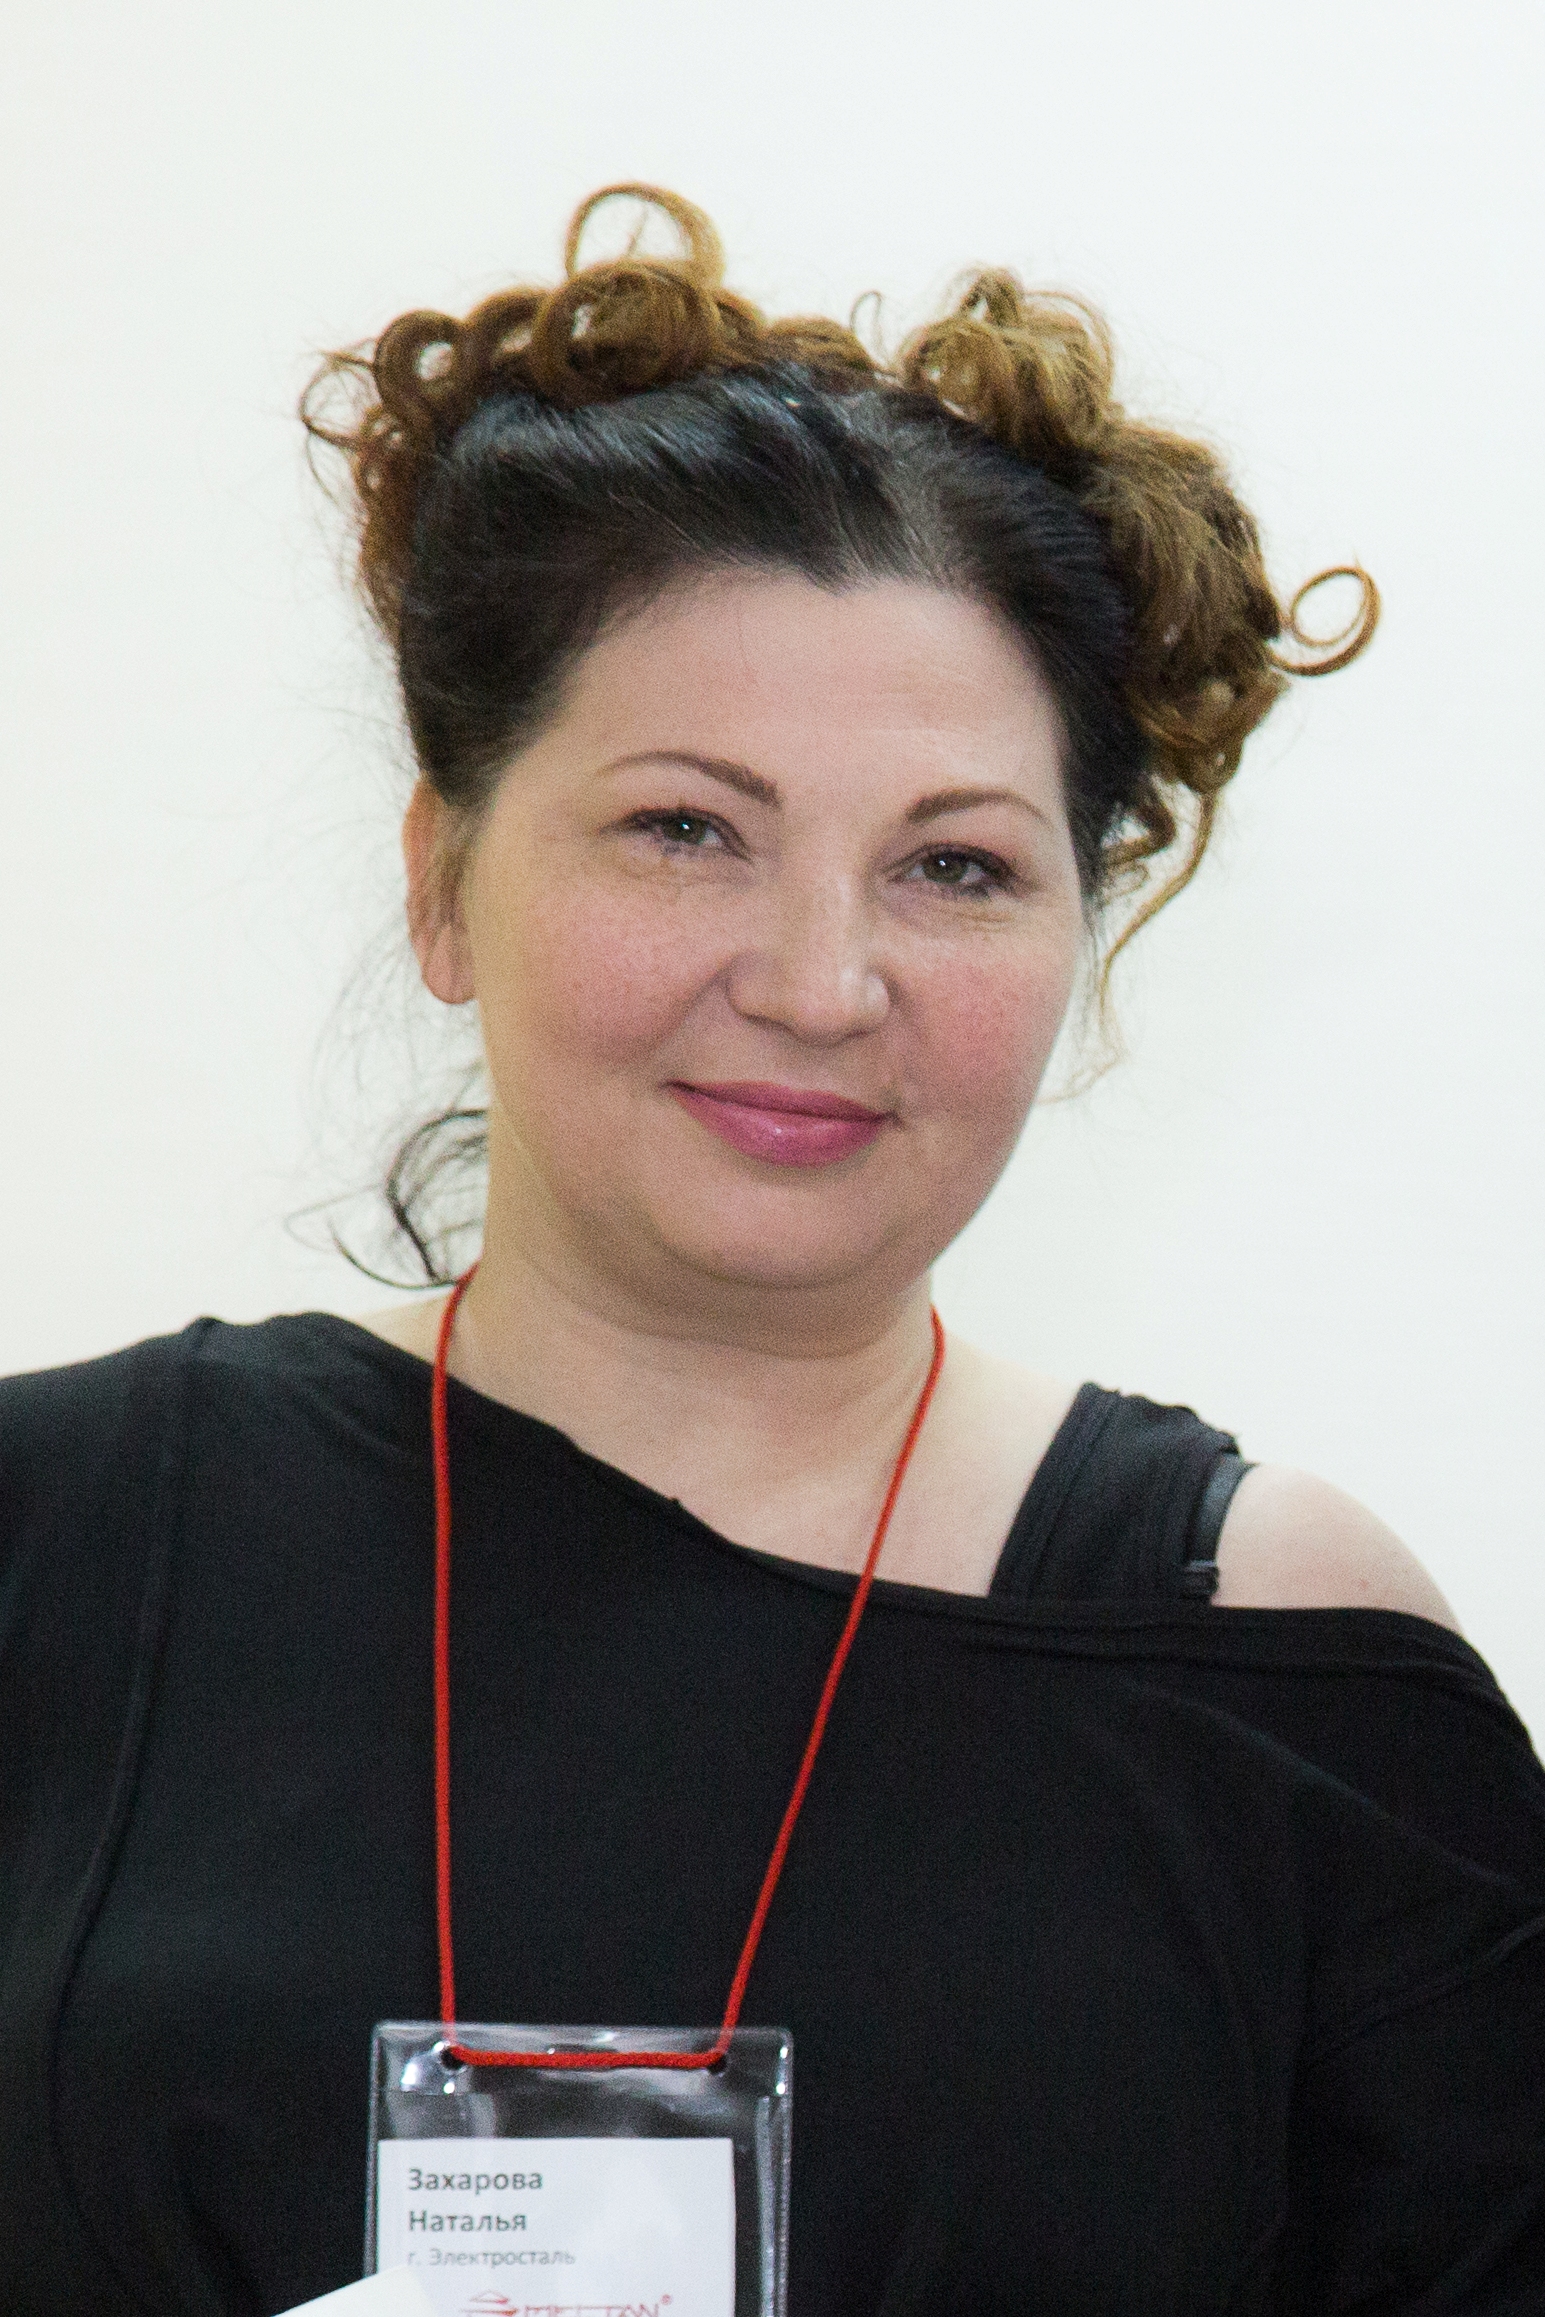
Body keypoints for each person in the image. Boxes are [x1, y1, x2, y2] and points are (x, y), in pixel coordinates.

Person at [2, 184, 1542, 2317]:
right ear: (442, 886)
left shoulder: (1278, 1654)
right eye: (685, 829)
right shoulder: (61, 1540)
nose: (822, 983)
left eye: (954, 866)